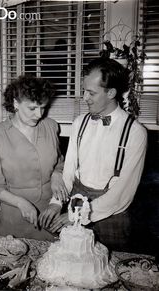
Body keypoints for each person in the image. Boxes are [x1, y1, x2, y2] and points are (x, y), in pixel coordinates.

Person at [48, 58, 147, 251]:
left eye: (91, 93)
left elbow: (122, 195)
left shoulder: (135, 132)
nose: (84, 97)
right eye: (84, 90)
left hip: (113, 218)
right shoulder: (79, 123)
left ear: (111, 93)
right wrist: (55, 203)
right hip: (75, 207)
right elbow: (69, 174)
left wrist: (76, 216)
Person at [0, 75, 68, 241]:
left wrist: (57, 174)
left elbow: (60, 162)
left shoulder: (50, 126)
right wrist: (21, 202)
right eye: (32, 108)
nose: (39, 114)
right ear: (15, 103)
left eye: (43, 107)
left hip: (52, 212)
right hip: (16, 216)